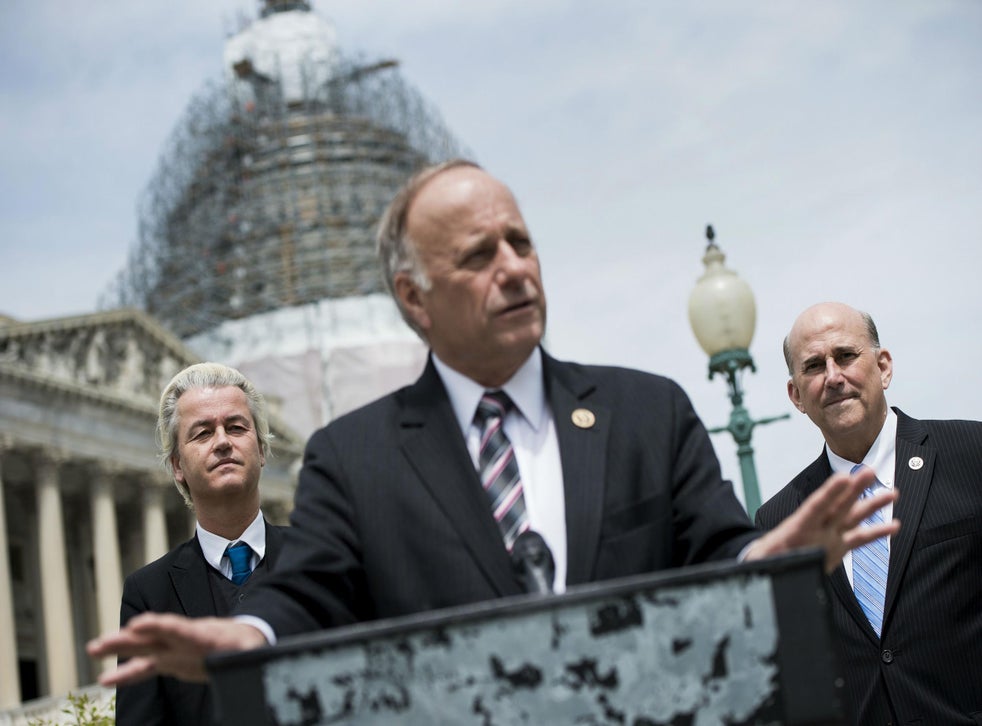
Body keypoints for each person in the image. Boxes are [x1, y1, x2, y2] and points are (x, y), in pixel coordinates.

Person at [88, 160, 896, 690]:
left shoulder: (648, 414)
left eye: (522, 242)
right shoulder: (354, 459)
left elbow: (721, 556)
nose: (514, 266)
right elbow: (306, 594)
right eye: (478, 256)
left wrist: (768, 560)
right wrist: (248, 638)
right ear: (414, 298)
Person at [755, 302, 982, 725]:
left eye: (845, 356)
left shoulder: (970, 454)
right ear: (796, 395)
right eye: (814, 366)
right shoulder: (779, 521)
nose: (833, 377)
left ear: (883, 366)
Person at [114, 362, 289, 725]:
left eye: (236, 427)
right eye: (203, 433)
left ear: (261, 449)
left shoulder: (321, 561)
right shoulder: (148, 594)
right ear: (177, 466)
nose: (223, 441)